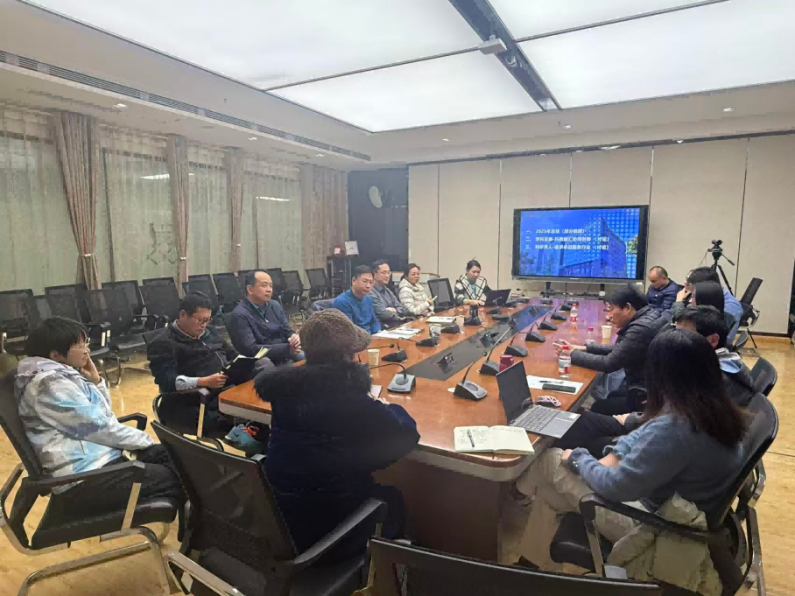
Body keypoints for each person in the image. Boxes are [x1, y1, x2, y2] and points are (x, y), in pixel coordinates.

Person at [515, 329, 747, 577]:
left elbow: (616, 487)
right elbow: (646, 432)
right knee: (550, 493)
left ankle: (516, 493)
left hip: (654, 526)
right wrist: (615, 453)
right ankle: (531, 569)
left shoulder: (679, 427)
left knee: (550, 459)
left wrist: (579, 458)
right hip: (671, 510)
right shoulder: (709, 407)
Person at [255, 309, 420, 560]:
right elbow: (405, 436)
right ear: (347, 355)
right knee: (392, 498)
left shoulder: (284, 392)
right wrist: (385, 407)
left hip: (282, 517)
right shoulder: (350, 399)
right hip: (329, 528)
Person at [15, 317, 183, 525]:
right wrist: (146, 441)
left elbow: (102, 416)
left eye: (86, 344)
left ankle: (195, 526)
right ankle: (196, 532)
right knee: (179, 475)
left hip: (99, 460)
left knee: (180, 460)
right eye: (80, 346)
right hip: (83, 479)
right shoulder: (49, 384)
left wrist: (96, 382)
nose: (87, 351)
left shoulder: (59, 374)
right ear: (55, 355)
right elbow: (100, 427)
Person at [554, 306, 755, 459]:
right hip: (653, 427)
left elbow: (673, 426)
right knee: (581, 421)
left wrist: (633, 423)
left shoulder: (716, 377)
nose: (675, 338)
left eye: (683, 334)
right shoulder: (720, 364)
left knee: (582, 435)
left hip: (659, 442)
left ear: (712, 340)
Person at [147, 292, 272, 441]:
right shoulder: (163, 343)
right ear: (183, 315)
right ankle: (257, 436)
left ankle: (265, 425)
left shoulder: (209, 332)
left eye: (208, 320)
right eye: (201, 320)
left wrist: (244, 363)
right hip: (199, 401)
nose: (204, 325)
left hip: (228, 385)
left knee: (263, 365)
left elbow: (232, 354)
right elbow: (167, 382)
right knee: (260, 419)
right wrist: (203, 381)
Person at [555, 285, 668, 415]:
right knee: (611, 396)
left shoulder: (641, 328)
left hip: (647, 398)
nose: (608, 316)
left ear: (627, 308)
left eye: (610, 309)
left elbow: (608, 363)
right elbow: (624, 348)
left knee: (599, 407)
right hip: (652, 388)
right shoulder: (651, 315)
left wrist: (572, 354)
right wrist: (586, 348)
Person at [227, 270, 304, 365]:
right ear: (250, 289)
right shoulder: (239, 315)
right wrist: (286, 349)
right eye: (264, 285)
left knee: (312, 358)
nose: (269, 290)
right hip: (263, 361)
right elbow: (250, 350)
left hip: (286, 352)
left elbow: (286, 330)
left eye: (270, 286)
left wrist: (293, 337)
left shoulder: (275, 305)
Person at [671, 267, 742, 343]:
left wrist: (679, 302)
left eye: (690, 284)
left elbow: (711, 331)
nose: (685, 283)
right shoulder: (706, 298)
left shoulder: (731, 307)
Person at [332, 265, 381, 334]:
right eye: (365, 281)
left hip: (371, 337)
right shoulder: (342, 302)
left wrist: (379, 333)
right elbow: (349, 331)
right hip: (356, 338)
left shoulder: (368, 299)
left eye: (371, 282)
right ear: (354, 281)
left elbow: (374, 321)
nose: (368, 286)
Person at [370, 259, 408, 326]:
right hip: (383, 327)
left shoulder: (387, 290)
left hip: (395, 325)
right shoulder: (370, 292)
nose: (387, 276)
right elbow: (383, 314)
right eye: (384, 273)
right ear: (374, 275)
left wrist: (393, 310)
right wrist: (393, 312)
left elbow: (402, 309)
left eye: (388, 272)